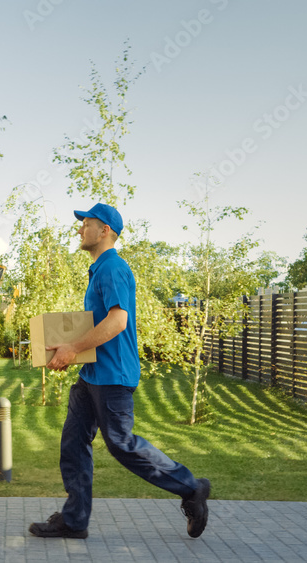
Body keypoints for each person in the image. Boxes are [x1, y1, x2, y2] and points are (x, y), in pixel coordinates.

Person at [28, 203, 210, 540]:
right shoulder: (99, 270)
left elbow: (117, 321)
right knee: (73, 443)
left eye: (87, 224)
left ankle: (191, 487)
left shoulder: (113, 268)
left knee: (122, 445)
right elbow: (96, 324)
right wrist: (63, 347)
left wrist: (72, 349)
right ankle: (74, 520)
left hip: (113, 376)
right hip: (93, 375)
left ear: (105, 231)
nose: (80, 229)